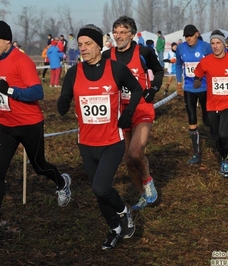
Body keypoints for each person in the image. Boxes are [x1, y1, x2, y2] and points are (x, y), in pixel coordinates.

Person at [0, 20, 72, 235]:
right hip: (5, 124)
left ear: (7, 41)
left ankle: (61, 182)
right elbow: (0, 87)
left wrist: (10, 92)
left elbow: (38, 93)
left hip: (29, 124)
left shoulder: (22, 61)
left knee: (39, 166)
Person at [57, 24, 140, 250]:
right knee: (99, 192)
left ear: (99, 45)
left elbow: (137, 89)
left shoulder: (116, 69)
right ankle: (114, 229)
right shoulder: (74, 72)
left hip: (112, 142)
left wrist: (129, 113)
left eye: (88, 44)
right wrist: (63, 102)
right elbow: (65, 97)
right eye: (80, 45)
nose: (83, 48)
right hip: (86, 143)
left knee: (100, 188)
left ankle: (124, 211)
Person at [102, 16, 164, 210]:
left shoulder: (143, 52)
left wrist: (153, 88)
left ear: (132, 34)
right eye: (116, 32)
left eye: (122, 32)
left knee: (136, 153)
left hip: (142, 108)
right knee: (128, 160)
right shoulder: (107, 56)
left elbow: (159, 71)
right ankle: (143, 196)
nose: (118, 36)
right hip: (120, 112)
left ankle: (147, 181)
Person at [193, 30, 228, 177]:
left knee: (223, 133)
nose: (215, 46)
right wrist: (197, 80)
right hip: (212, 104)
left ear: (224, 44)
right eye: (213, 43)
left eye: (218, 43)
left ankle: (227, 160)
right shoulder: (206, 61)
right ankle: (223, 157)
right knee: (215, 135)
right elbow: (198, 72)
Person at [175, 24, 213, 164]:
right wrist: (179, 83)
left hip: (205, 88)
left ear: (197, 34)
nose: (188, 38)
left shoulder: (206, 47)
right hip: (189, 89)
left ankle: (215, 139)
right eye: (186, 36)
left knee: (207, 119)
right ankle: (196, 152)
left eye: (191, 35)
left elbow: (213, 63)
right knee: (191, 117)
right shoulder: (181, 48)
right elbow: (178, 65)